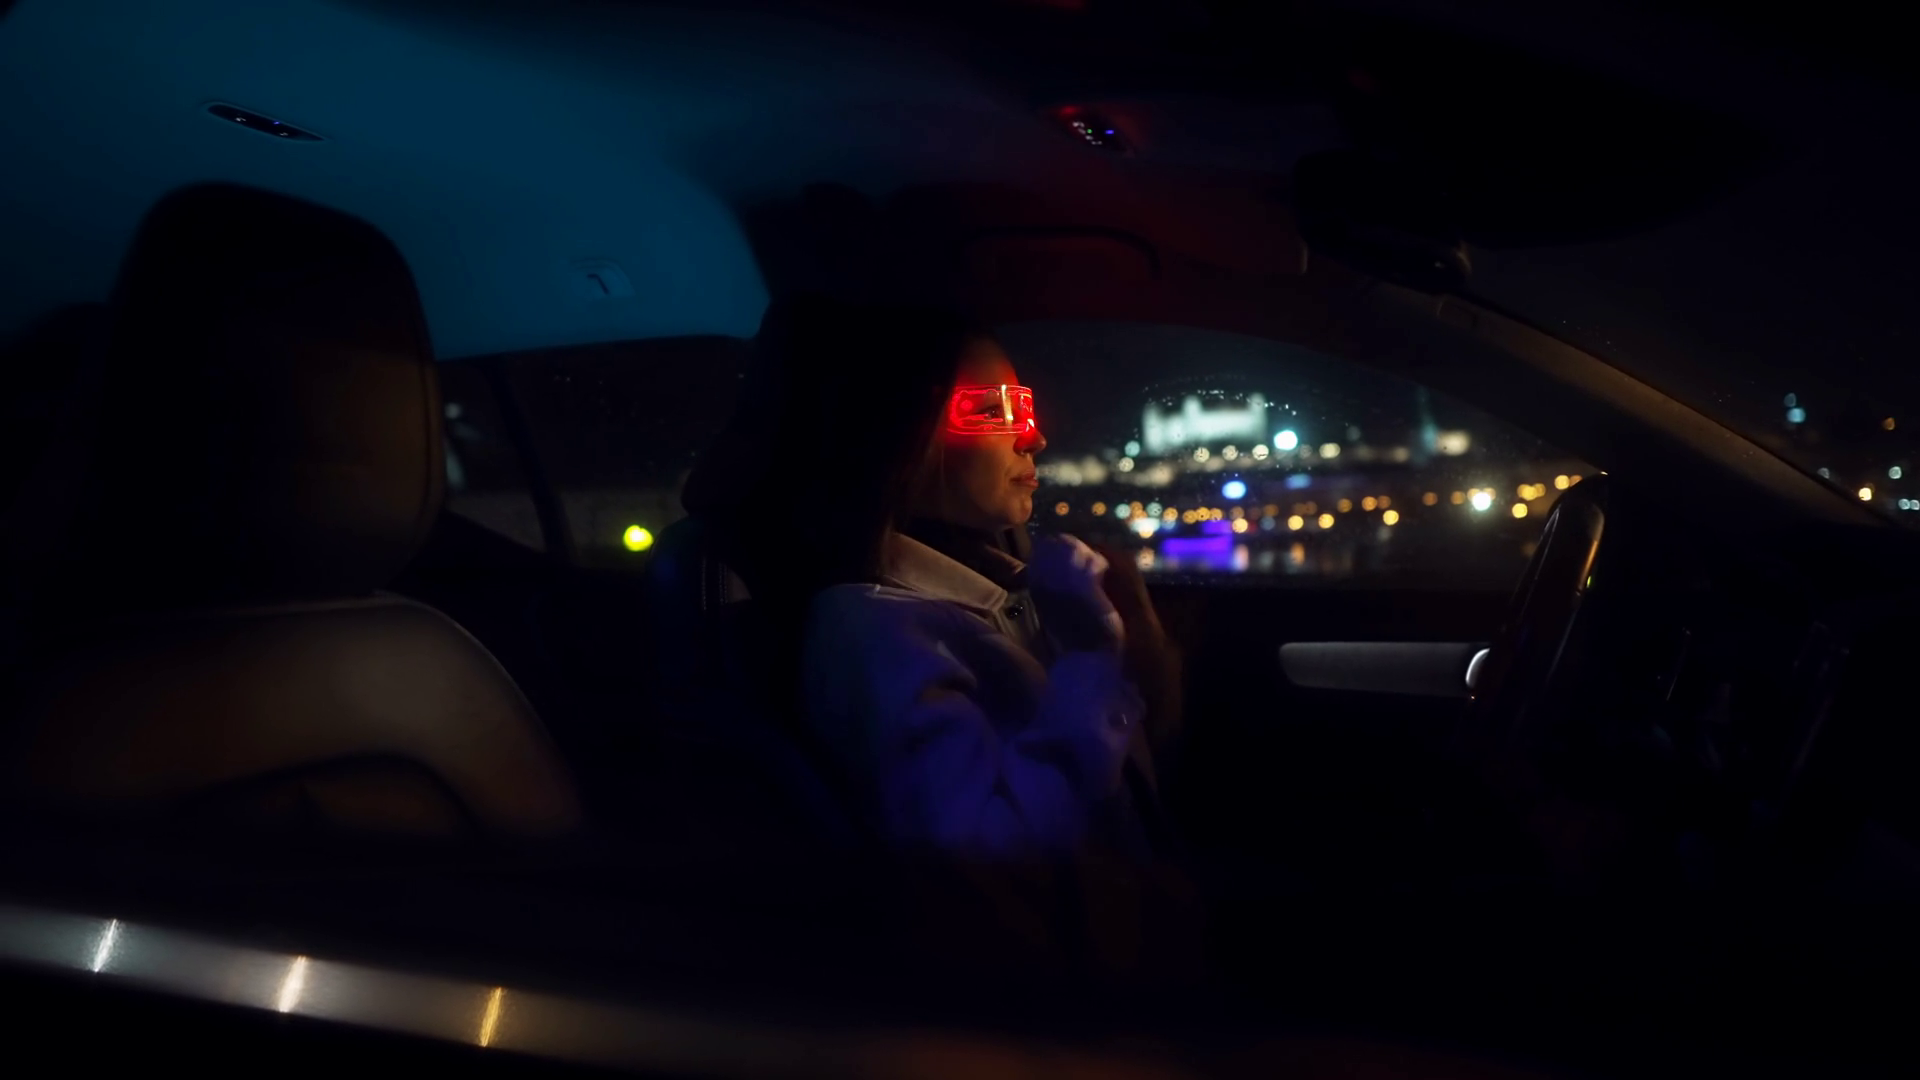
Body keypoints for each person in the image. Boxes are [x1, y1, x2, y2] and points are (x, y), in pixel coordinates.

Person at [683, 294, 1179, 859]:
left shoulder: (990, 586)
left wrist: (1132, 643)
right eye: (992, 410)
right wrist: (1089, 659)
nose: (1033, 437)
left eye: (1023, 406)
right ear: (894, 433)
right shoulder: (869, 632)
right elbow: (981, 858)